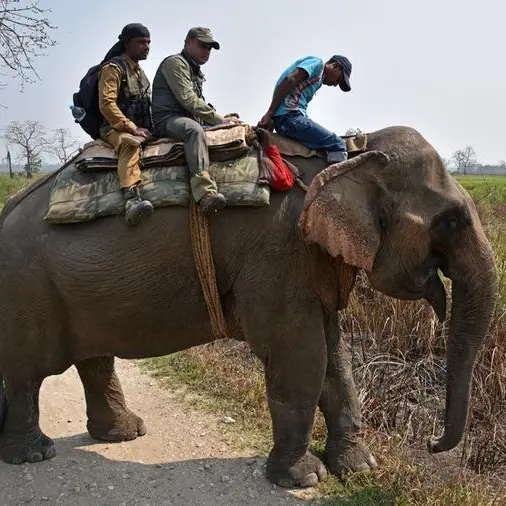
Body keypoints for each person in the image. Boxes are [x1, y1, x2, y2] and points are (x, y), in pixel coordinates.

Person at [152, 27, 240, 216]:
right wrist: (219, 119)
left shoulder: (194, 70)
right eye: (202, 45)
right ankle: (205, 191)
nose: (206, 51)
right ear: (188, 42)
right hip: (168, 119)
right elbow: (188, 100)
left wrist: (221, 121)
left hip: (187, 117)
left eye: (209, 48)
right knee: (193, 130)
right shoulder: (175, 63)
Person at [98, 23, 154, 226]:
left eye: (148, 42)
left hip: (143, 127)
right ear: (127, 43)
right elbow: (106, 104)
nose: (146, 47)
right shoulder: (113, 68)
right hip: (115, 128)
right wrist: (131, 128)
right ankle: (131, 198)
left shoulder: (140, 72)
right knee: (130, 144)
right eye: (141, 42)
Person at [258, 55, 352, 164]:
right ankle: (334, 180)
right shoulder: (318, 65)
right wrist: (270, 113)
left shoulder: (319, 80)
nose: (336, 84)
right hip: (290, 118)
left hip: (287, 119)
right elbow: (290, 80)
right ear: (335, 66)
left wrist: (273, 118)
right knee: (338, 144)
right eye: (339, 80)